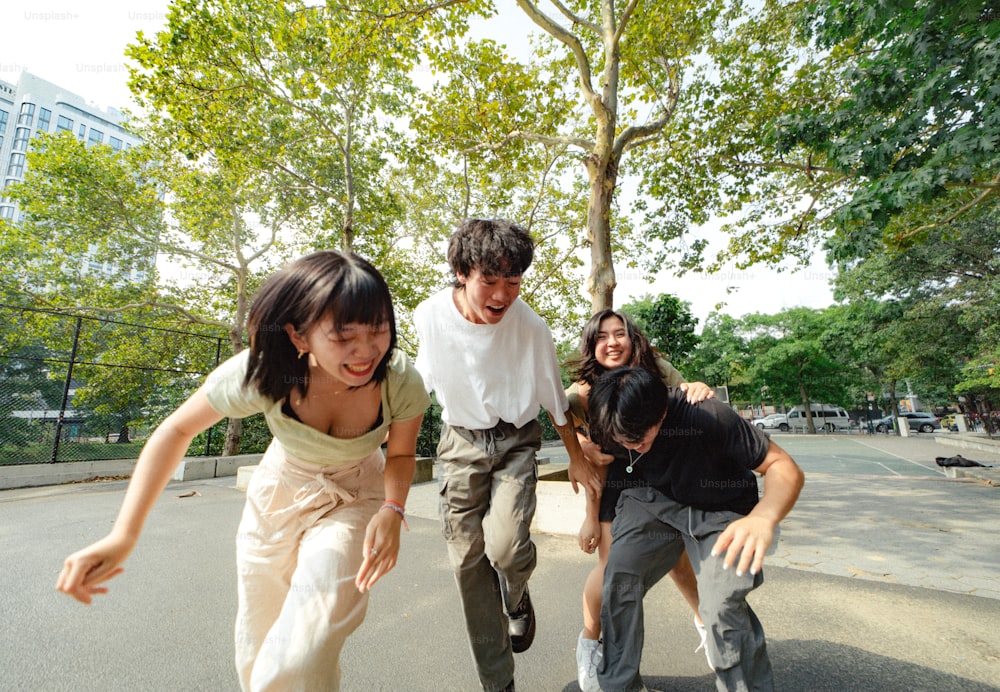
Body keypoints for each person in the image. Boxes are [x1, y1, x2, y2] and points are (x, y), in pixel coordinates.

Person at [56, 251, 430, 692]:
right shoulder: (262, 373)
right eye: (344, 335)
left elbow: (402, 456)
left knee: (305, 644)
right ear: (298, 335)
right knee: (258, 644)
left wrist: (393, 509)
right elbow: (176, 430)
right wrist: (124, 534)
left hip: (357, 496)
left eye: (378, 329)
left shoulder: (399, 379)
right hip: (279, 493)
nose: (366, 350)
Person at [413, 218, 598, 692]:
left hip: (516, 440)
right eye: (489, 281)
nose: (502, 294)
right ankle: (498, 683)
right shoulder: (431, 316)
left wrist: (576, 457)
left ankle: (516, 599)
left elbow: (554, 396)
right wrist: (391, 458)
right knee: (466, 563)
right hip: (459, 443)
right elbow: (418, 390)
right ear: (462, 273)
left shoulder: (530, 325)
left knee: (508, 548)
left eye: (512, 281)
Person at [588, 366, 804, 692]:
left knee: (721, 607)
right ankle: (617, 685)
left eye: (638, 440)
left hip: (720, 509)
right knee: (618, 580)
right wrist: (593, 519)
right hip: (652, 502)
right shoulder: (611, 420)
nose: (629, 447)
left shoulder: (707, 415)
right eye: (621, 441)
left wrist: (764, 517)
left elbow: (782, 466)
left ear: (661, 414)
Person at [564, 309, 715, 692]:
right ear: (591, 345)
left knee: (679, 559)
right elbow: (559, 414)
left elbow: (689, 395)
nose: (611, 342)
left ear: (633, 339)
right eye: (601, 336)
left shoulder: (658, 369)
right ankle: (590, 642)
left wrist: (697, 386)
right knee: (613, 568)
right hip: (618, 482)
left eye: (619, 334)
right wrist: (579, 448)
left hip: (663, 476)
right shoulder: (583, 390)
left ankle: (706, 623)